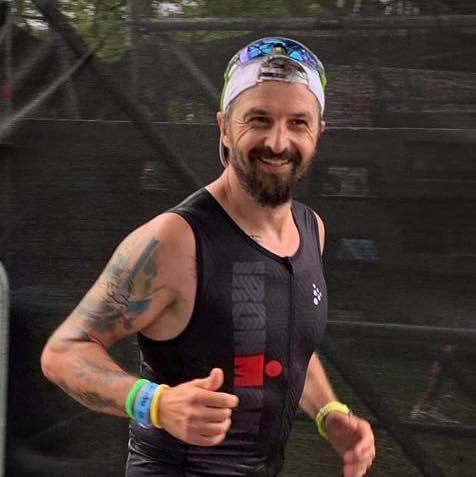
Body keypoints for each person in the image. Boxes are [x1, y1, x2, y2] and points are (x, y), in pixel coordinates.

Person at [41, 37, 375, 477]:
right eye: (259, 119)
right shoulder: (176, 239)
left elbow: (290, 345)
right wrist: (155, 403)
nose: (278, 141)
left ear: (318, 133)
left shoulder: (310, 229)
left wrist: (328, 412)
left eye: (298, 123)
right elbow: (63, 353)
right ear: (225, 127)